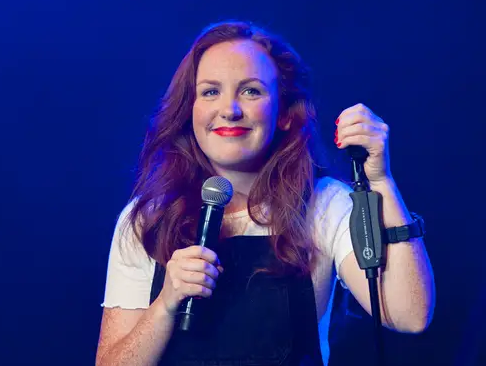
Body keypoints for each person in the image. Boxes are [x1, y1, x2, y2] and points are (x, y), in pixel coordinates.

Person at [95, 20, 435, 366]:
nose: (230, 109)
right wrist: (166, 303)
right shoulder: (147, 219)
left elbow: (409, 315)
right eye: (211, 91)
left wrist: (381, 180)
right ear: (189, 111)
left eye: (251, 91)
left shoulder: (326, 205)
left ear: (285, 114)